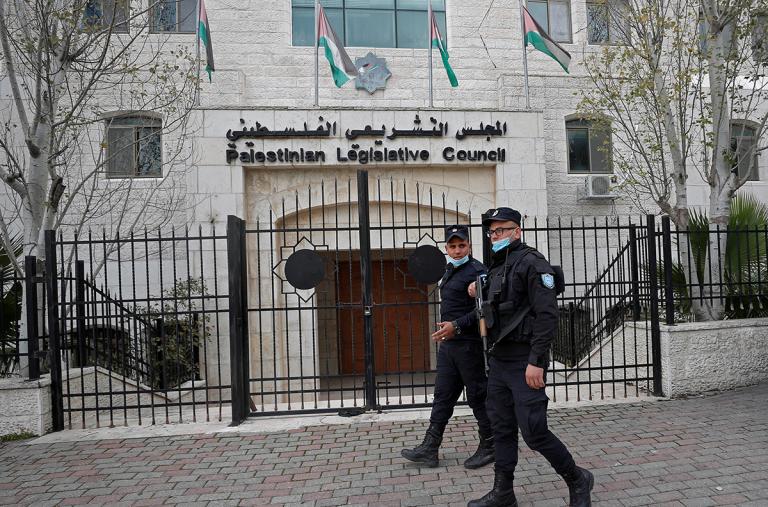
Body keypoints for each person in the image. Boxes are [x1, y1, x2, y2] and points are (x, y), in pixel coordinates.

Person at [466, 208, 593, 507]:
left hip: (525, 361)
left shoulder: (533, 264)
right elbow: (496, 310)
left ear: (517, 231)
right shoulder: (496, 268)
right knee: (501, 429)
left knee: (534, 431)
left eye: (502, 230)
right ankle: (504, 493)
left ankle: (578, 479)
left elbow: (547, 315)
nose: (495, 236)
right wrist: (478, 290)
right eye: (492, 232)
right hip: (499, 361)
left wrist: (537, 360)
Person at [401, 224, 494, 469]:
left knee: (477, 397)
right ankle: (430, 448)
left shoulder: (478, 271)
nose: (457, 250)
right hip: (449, 348)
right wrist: (450, 330)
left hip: (469, 346)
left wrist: (456, 326)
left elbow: (483, 310)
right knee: (442, 396)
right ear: (446, 248)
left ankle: (490, 445)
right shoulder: (450, 269)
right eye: (452, 246)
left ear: (469, 246)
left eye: (461, 245)